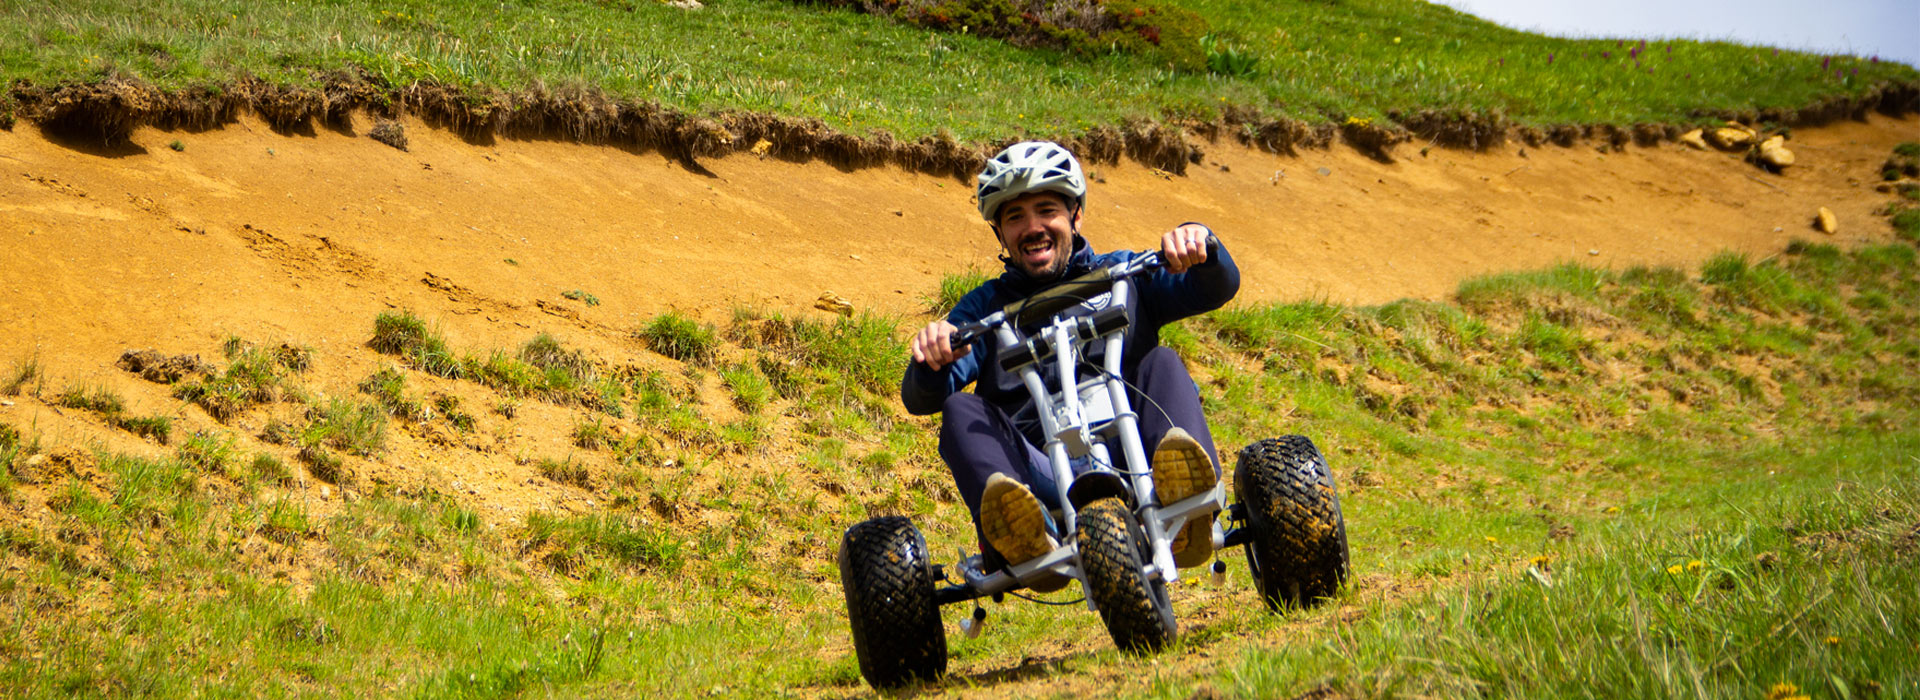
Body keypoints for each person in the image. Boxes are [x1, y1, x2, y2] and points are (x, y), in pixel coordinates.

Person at [901, 141, 1240, 580]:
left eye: (1047, 210)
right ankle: (1022, 530)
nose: (1033, 227)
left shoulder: (1124, 273)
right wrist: (934, 356)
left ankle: (1186, 500)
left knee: (1161, 362)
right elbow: (922, 397)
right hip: (1037, 471)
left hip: (1139, 449)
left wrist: (1201, 242)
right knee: (959, 408)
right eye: (1015, 217)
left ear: (1076, 214)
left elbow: (1215, 287)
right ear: (1000, 234)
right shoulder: (983, 310)